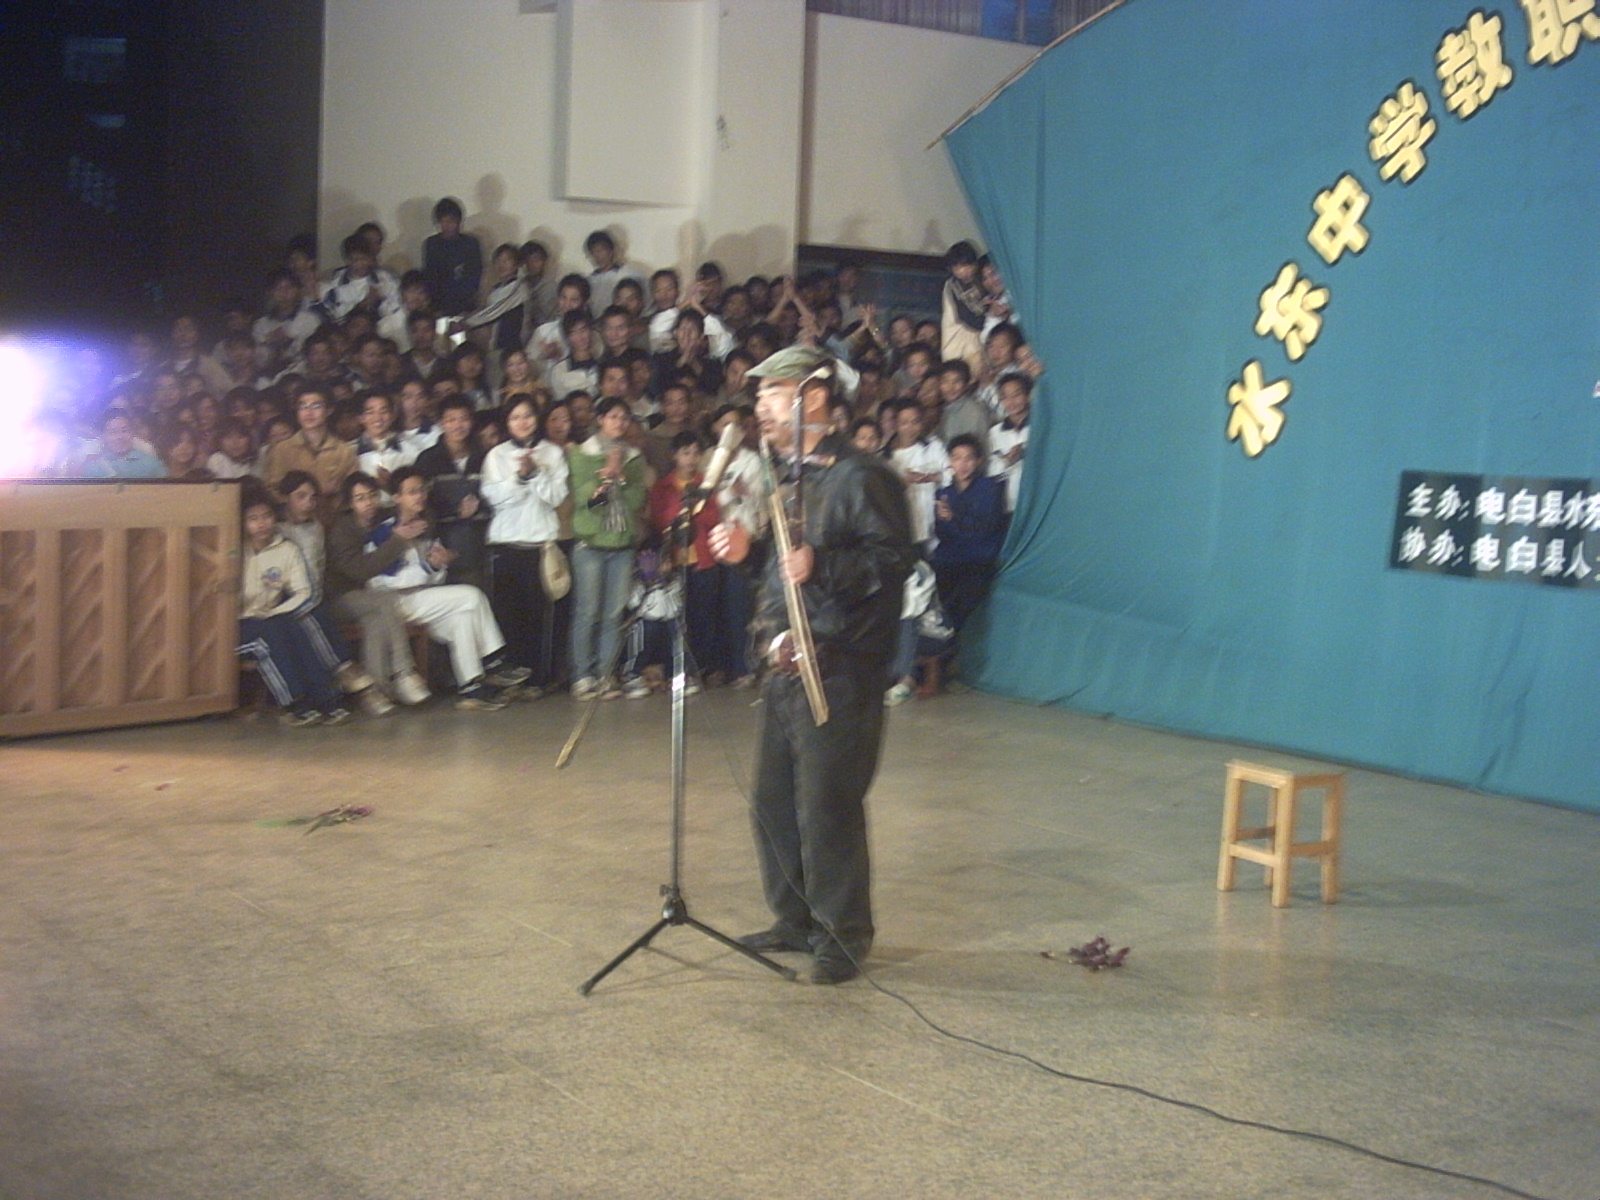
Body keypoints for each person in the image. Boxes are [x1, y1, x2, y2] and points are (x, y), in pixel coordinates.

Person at [708, 345, 915, 985]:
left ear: (813, 396)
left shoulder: (863, 476)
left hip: (839, 668)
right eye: (760, 397)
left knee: (827, 806)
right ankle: (794, 918)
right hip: (786, 665)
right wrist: (748, 552)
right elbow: (782, 570)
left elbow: (892, 564)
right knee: (773, 803)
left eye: (773, 395)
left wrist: (823, 565)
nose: (762, 409)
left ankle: (842, 936)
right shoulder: (786, 475)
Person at [363, 466, 515, 710]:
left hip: (424, 600)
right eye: (412, 492)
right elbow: (380, 580)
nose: (419, 496)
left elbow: (434, 578)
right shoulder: (383, 532)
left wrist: (437, 566)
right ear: (396, 497)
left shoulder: (425, 528)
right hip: (393, 603)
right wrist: (427, 568)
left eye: (421, 490)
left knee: (463, 618)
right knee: (472, 596)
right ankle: (493, 660)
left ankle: (471, 686)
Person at [237, 486, 352, 727]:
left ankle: (327, 699)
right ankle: (294, 703)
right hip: (236, 625)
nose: (261, 524)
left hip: (268, 617)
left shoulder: (287, 549)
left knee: (293, 629)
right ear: (243, 522)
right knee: (267, 638)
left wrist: (275, 613)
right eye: (253, 519)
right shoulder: (233, 550)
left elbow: (304, 592)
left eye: (267, 516)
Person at [481, 395, 570, 690]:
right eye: (515, 417)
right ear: (507, 422)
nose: (522, 422)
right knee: (509, 617)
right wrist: (520, 478)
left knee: (540, 617)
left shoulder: (552, 453)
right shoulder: (496, 455)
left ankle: (539, 680)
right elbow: (494, 498)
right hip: (506, 544)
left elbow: (556, 497)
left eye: (528, 415)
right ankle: (513, 679)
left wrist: (536, 473)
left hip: (540, 545)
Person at [324, 473, 433, 708]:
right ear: (350, 503)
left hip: (370, 596)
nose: (368, 503)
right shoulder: (343, 529)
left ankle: (376, 691)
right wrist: (398, 540)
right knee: (384, 601)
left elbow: (421, 517)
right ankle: (404, 672)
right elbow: (360, 571)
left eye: (372, 495)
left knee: (375, 622)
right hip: (342, 597)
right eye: (360, 498)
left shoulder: (383, 518)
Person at [567, 397, 648, 699]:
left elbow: (637, 501)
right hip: (591, 543)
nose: (619, 423)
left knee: (614, 613)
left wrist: (622, 479)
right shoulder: (583, 454)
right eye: (613, 416)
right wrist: (604, 480)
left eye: (624, 418)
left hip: (622, 544)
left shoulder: (634, 457)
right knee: (588, 611)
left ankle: (605, 674)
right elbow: (586, 503)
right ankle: (582, 675)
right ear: (600, 419)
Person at [930, 435, 1007, 632]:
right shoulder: (943, 493)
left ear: (978, 460)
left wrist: (953, 518)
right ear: (950, 461)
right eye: (957, 458)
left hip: (978, 558)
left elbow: (985, 529)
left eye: (969, 458)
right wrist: (944, 520)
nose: (963, 464)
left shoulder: (990, 488)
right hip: (949, 559)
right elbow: (941, 533)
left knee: (969, 608)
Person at [422, 197, 482, 317]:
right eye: (444, 221)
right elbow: (430, 277)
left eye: (452, 221)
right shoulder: (431, 244)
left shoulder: (470, 243)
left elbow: (473, 276)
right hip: (439, 305)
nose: (448, 225)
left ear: (459, 221)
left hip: (465, 304)